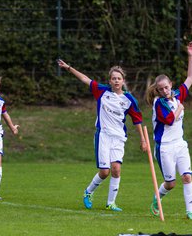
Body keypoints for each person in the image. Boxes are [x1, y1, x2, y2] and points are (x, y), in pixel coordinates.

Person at [57, 59, 147, 211]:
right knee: (105, 172)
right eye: (113, 78)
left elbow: (137, 120)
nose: (116, 81)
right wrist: (69, 68)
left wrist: (143, 140)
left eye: (119, 78)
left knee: (116, 169)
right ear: (110, 81)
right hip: (103, 135)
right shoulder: (102, 91)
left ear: (123, 80)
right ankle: (88, 192)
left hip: (119, 137)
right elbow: (85, 79)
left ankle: (111, 203)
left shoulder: (129, 100)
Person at [146, 41, 192, 220]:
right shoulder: (158, 103)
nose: (164, 91)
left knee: (187, 177)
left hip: (180, 144)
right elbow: (169, 120)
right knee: (171, 183)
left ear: (170, 84)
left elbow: (190, 78)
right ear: (157, 90)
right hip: (165, 147)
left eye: (166, 87)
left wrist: (191, 56)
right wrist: (180, 109)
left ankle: (190, 212)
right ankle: (157, 198)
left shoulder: (177, 95)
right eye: (160, 89)